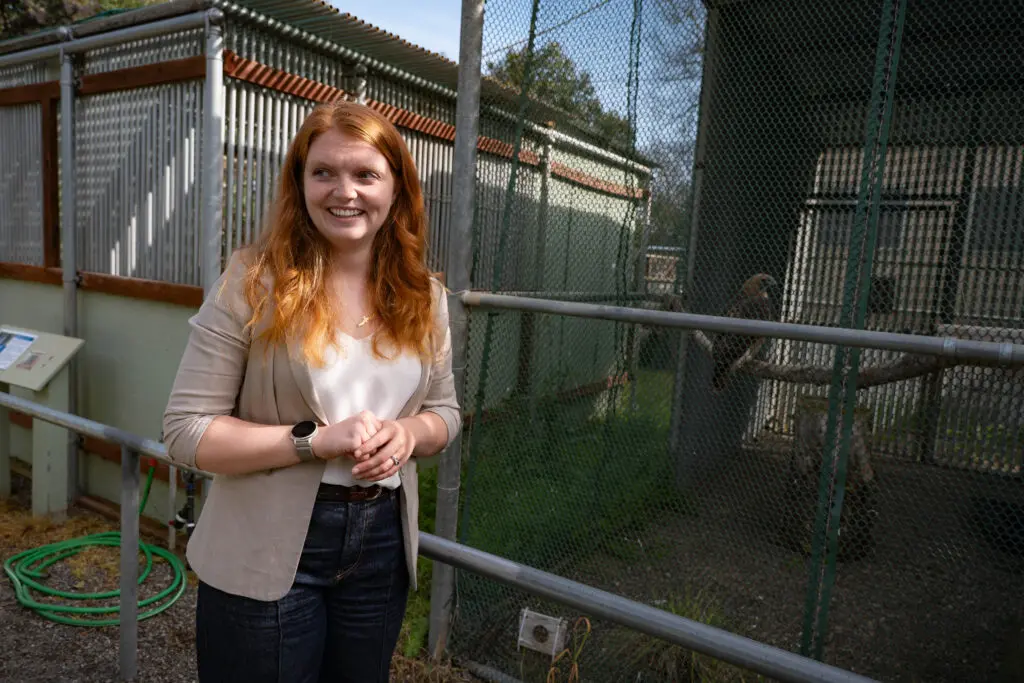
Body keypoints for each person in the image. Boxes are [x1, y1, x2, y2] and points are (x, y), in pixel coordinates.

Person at [161, 100, 461, 683]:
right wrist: (316, 442)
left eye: (365, 174)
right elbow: (186, 432)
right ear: (299, 184)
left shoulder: (425, 297)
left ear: (396, 188)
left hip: (380, 546)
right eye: (323, 172)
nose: (343, 191)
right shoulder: (251, 282)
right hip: (266, 549)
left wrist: (407, 433)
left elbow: (445, 412)